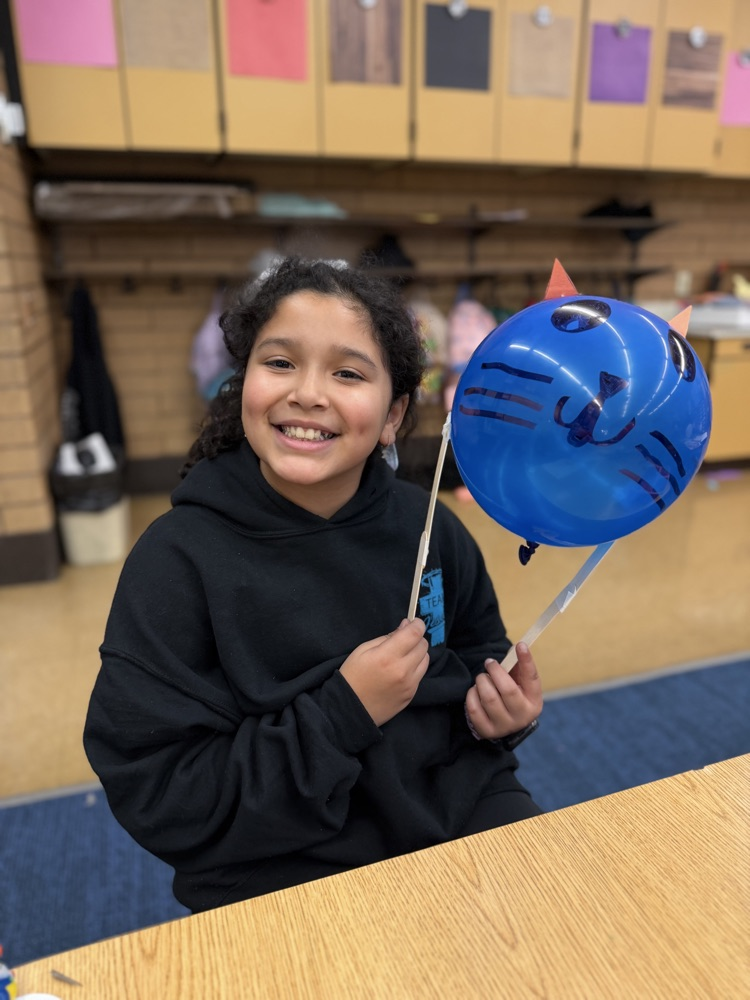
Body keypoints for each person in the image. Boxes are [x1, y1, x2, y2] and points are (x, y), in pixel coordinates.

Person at [83, 256, 543, 914]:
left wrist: (500, 716)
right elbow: (161, 793)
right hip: (273, 856)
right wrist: (343, 712)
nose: (308, 393)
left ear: (393, 414)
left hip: (457, 804)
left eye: (348, 373)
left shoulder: (429, 527)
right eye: (280, 363)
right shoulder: (177, 560)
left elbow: (476, 651)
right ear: (242, 383)